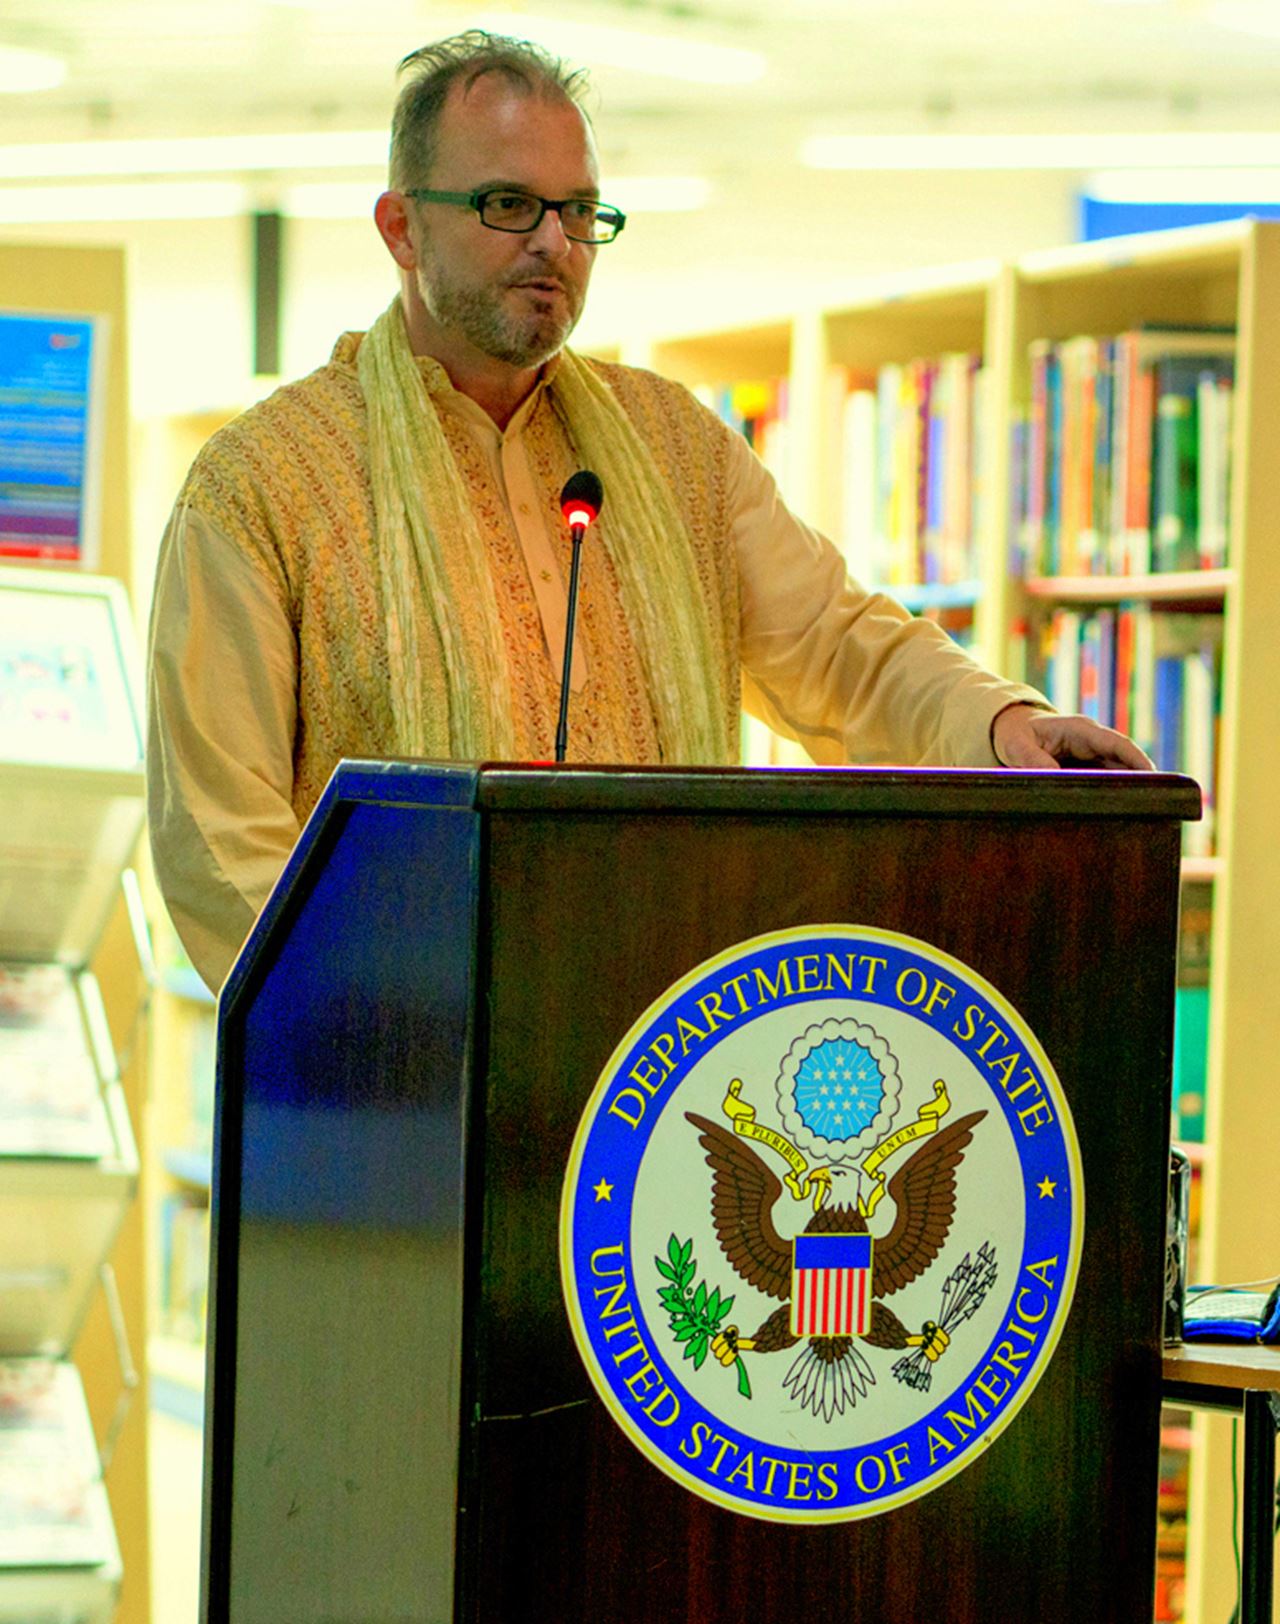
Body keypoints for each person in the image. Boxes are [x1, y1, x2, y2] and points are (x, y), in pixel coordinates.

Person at [146, 31, 1151, 993]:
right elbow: (218, 840)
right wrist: (380, 1022)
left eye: (580, 212)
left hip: (658, 1070)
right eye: (508, 204)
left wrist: (1007, 723)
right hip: (393, 1091)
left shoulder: (674, 451)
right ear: (400, 227)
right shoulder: (263, 484)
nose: (553, 243)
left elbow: (840, 647)